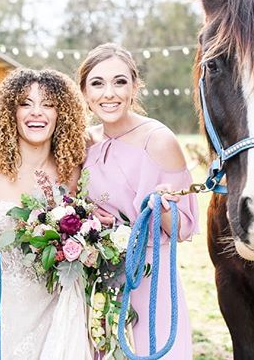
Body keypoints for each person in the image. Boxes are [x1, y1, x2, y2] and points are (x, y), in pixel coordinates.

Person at [0, 68, 88, 359]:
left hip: (56, 310)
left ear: (61, 114)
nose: (37, 113)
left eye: (48, 104)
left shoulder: (73, 170)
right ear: (10, 111)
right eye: (26, 103)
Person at [78, 43, 199, 358]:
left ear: (134, 86)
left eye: (119, 82)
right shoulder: (85, 141)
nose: (109, 93)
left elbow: (183, 229)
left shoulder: (158, 140)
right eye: (97, 83)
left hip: (148, 275)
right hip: (99, 276)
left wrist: (162, 207)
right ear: (85, 93)